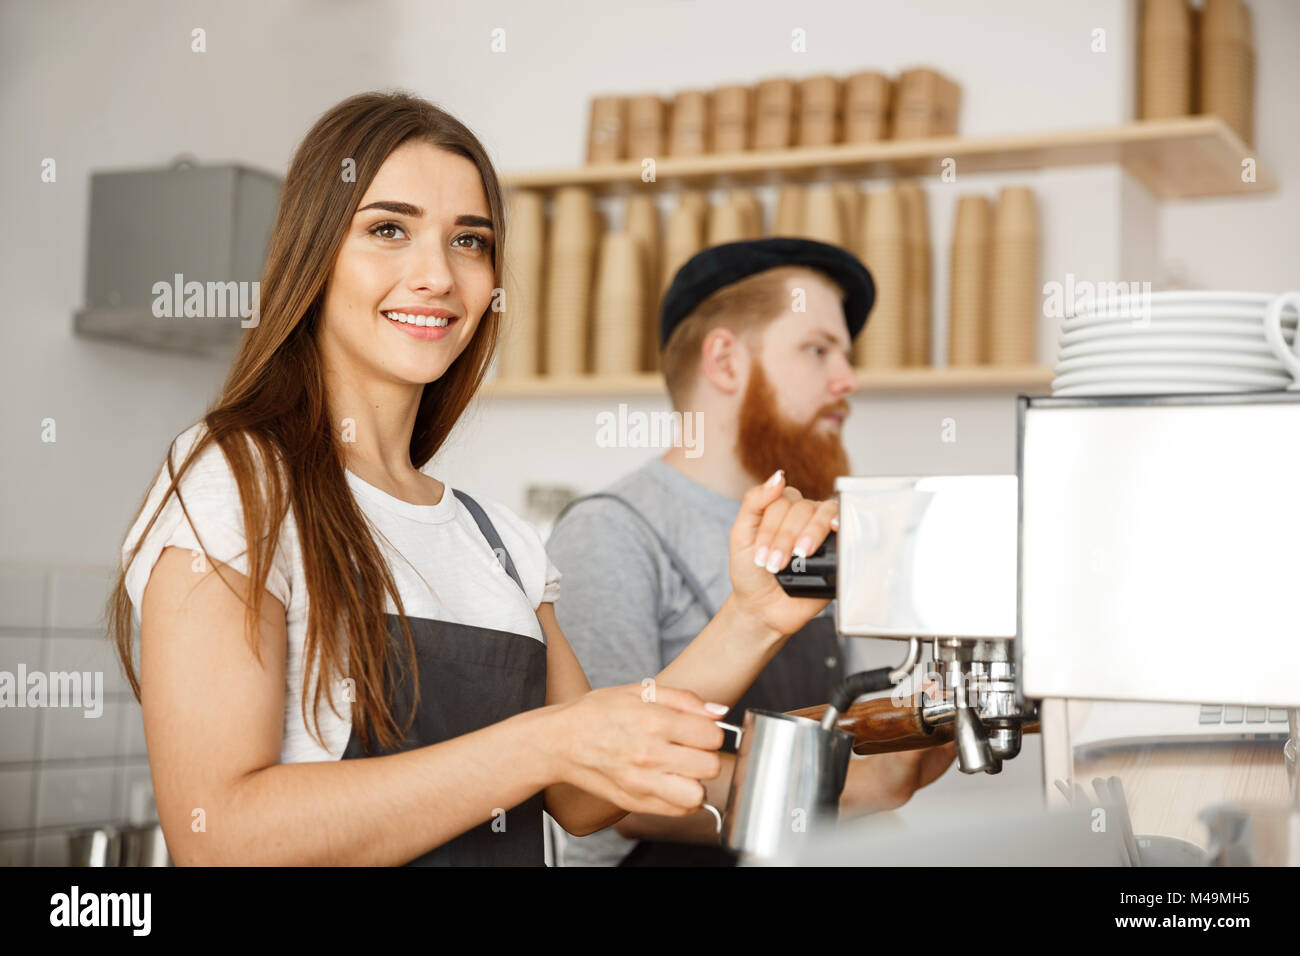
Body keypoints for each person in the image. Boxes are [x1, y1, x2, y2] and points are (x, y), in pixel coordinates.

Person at [106, 92, 840, 866]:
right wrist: (543, 743)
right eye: (389, 229)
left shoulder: (498, 542)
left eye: (469, 242)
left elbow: (589, 794)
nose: (436, 275)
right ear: (313, 258)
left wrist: (754, 618)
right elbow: (219, 838)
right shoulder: (237, 481)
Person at [548, 238, 957, 867]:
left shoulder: (807, 532)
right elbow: (609, 793)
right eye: (818, 350)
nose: (847, 380)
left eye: (845, 356)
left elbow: (837, 729)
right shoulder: (611, 533)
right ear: (725, 361)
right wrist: (857, 790)